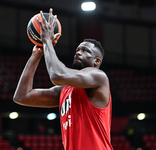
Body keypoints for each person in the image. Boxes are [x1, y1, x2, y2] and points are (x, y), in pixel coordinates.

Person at [13, 8, 113, 150]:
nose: (78, 52)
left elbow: (57, 75)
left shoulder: (99, 77)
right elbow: (22, 96)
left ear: (96, 61)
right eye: (78, 50)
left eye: (85, 51)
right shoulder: (64, 91)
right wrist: (36, 55)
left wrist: (47, 40)